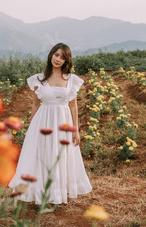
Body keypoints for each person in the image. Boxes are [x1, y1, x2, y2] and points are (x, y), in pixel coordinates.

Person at [8, 43, 92, 205]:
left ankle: (58, 193)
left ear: (67, 60)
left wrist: (76, 130)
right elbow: (35, 104)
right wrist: (33, 126)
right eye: (56, 55)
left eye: (62, 57)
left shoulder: (71, 80)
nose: (58, 59)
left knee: (60, 155)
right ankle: (39, 193)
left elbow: (73, 105)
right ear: (51, 55)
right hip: (43, 121)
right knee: (42, 156)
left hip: (63, 122)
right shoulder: (39, 79)